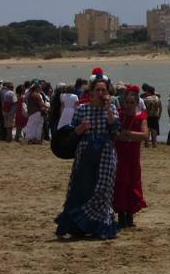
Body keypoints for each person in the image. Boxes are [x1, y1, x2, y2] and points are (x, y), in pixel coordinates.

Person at [54, 72, 120, 240]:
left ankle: (100, 224)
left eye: (103, 90)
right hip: (85, 152)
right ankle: (78, 225)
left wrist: (110, 116)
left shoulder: (111, 108)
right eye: (97, 90)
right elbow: (71, 134)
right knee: (82, 188)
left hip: (106, 152)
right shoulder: (82, 109)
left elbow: (116, 132)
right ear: (90, 93)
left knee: (103, 189)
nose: (100, 94)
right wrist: (80, 129)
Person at [113, 85, 148, 229]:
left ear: (136, 103)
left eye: (131, 102)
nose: (128, 105)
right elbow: (115, 135)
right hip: (120, 155)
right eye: (126, 102)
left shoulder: (141, 116)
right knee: (121, 183)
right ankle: (121, 214)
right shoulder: (118, 116)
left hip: (133, 156)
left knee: (133, 183)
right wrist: (131, 135)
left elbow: (145, 135)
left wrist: (127, 134)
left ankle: (130, 214)